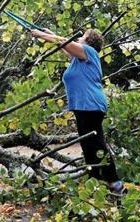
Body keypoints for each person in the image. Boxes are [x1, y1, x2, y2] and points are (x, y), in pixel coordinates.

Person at [30, 28, 125, 194]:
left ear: (89, 41)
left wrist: (41, 35)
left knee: (96, 144)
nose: (79, 38)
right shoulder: (79, 59)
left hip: (91, 105)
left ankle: (115, 183)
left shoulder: (89, 52)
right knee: (88, 146)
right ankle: (95, 183)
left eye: (83, 36)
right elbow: (64, 46)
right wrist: (49, 32)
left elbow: (63, 42)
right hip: (84, 106)